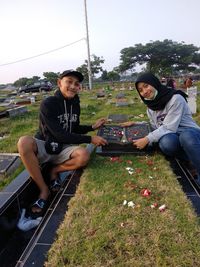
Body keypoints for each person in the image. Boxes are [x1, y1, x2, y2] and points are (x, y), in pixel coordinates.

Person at [17, 69, 108, 218]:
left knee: (83, 155)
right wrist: (90, 139)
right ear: (59, 83)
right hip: (46, 144)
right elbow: (59, 133)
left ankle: (55, 171)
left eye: (76, 84)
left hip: (64, 147)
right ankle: (43, 189)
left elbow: (74, 127)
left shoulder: (75, 103)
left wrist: (92, 127)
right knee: (24, 142)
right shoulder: (49, 103)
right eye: (69, 82)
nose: (73, 86)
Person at [122, 72, 200, 185]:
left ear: (154, 83)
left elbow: (169, 126)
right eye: (140, 90)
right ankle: (190, 158)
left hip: (190, 134)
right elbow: (156, 126)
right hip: (174, 136)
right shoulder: (151, 108)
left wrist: (147, 139)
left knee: (186, 137)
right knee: (166, 143)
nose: (144, 91)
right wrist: (136, 123)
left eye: (146, 86)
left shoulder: (175, 98)